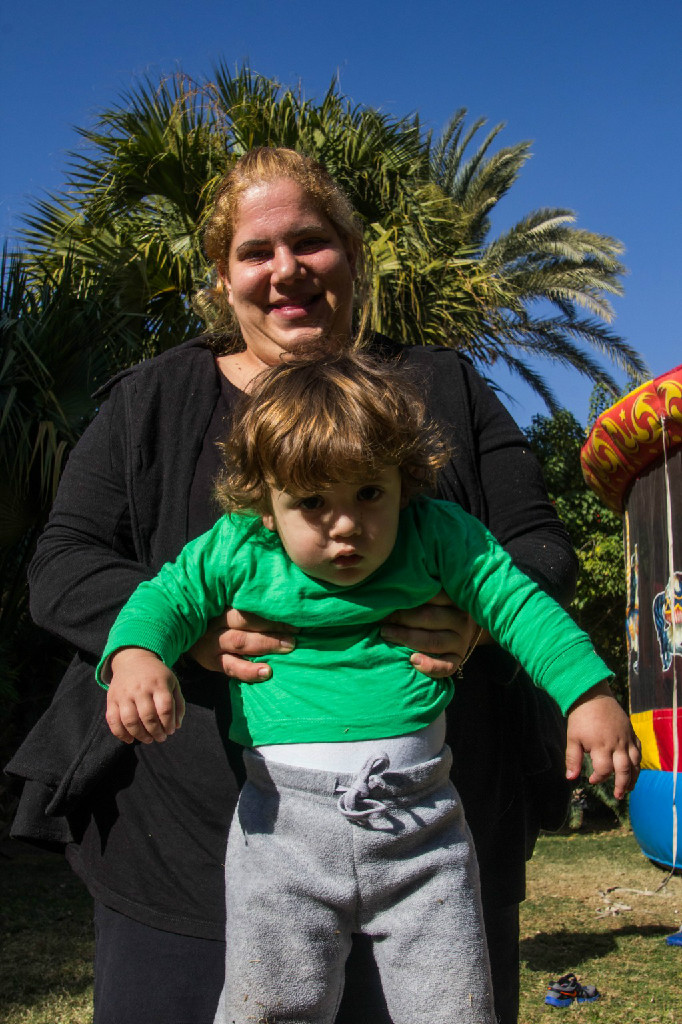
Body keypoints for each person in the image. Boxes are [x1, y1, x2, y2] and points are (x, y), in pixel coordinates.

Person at [5, 147, 635, 1024]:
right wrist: (170, 640)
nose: (285, 269)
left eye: (309, 241)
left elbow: (536, 548)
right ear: (222, 278)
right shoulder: (154, 402)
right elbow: (64, 562)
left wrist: (480, 621)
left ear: (352, 253)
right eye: (254, 252)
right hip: (187, 857)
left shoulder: (442, 385)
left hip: (429, 841)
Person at [98, 351, 638, 1024]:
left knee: (454, 1007)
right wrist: (137, 657)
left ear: (404, 483)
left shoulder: (438, 535)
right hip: (282, 835)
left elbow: (521, 606)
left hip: (421, 830)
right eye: (312, 503)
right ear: (265, 504)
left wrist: (588, 693)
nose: (347, 524)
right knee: (271, 1006)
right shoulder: (238, 548)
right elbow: (164, 600)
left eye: (369, 494)